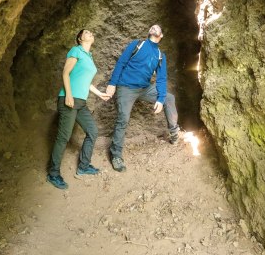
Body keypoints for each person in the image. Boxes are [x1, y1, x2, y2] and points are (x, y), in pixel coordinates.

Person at [106, 24, 180, 172]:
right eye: (153, 26)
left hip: (144, 89)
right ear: (149, 32)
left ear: (161, 35)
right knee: (123, 118)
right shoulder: (137, 45)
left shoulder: (160, 55)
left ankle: (174, 132)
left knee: (169, 98)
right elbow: (121, 63)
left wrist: (160, 99)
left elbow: (161, 78)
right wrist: (112, 84)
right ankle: (116, 155)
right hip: (126, 87)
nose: (155, 26)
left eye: (159, 27)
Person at [47, 29, 110, 190]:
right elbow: (66, 73)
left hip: (80, 102)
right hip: (69, 99)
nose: (91, 33)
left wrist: (100, 94)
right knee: (63, 137)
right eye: (86, 32)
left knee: (93, 131)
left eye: (91, 32)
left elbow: (86, 82)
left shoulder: (89, 57)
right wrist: (68, 94)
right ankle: (53, 173)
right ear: (80, 38)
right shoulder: (76, 50)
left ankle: (83, 166)